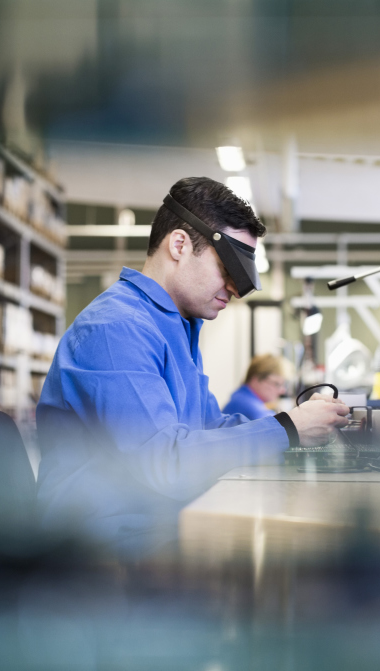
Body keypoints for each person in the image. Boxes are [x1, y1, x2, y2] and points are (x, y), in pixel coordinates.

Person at [35, 177, 349, 557]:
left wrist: (299, 426)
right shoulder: (116, 328)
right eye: (227, 268)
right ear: (180, 245)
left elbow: (209, 430)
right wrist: (286, 429)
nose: (235, 288)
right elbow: (167, 461)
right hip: (102, 555)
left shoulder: (177, 325)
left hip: (153, 532)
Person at [223, 354, 287, 420]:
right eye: (276, 384)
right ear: (256, 380)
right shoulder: (247, 404)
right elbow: (275, 424)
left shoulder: (240, 396)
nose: (282, 391)